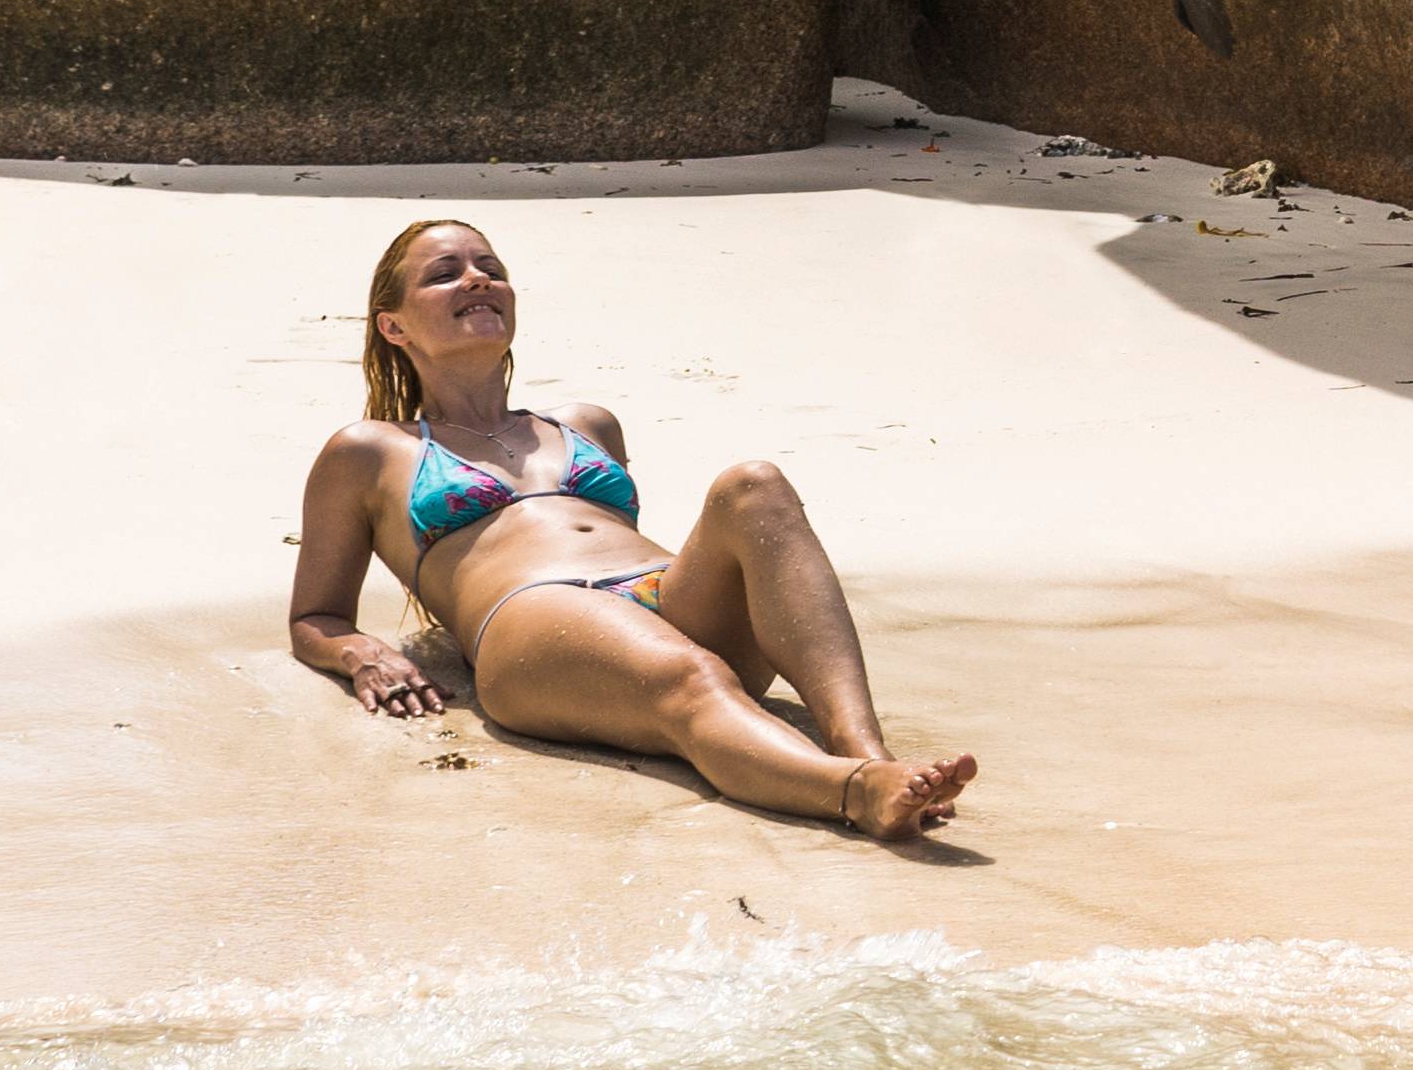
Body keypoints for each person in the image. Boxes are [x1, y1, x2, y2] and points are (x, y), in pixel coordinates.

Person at [288, 215, 976, 840]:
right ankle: (853, 792)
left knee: (754, 484)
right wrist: (358, 654)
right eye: (444, 275)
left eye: (489, 268)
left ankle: (866, 751)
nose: (477, 279)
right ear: (394, 326)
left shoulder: (584, 423)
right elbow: (316, 615)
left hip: (655, 600)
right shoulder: (369, 450)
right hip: (536, 619)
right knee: (692, 675)